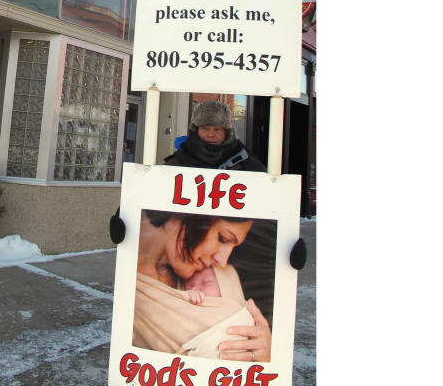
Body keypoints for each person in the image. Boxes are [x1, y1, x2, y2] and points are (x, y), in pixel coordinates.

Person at [111, 100, 307, 330]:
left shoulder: (248, 167)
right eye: (206, 129)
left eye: (218, 130)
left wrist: (289, 241)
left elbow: (273, 203)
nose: (212, 134)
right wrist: (124, 217)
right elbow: (148, 195)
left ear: (227, 132)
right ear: (196, 130)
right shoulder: (176, 164)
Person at [134, 210, 271, 362]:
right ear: (188, 214)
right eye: (223, 238)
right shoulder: (130, 294)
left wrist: (263, 356)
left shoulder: (211, 275)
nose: (223, 261)